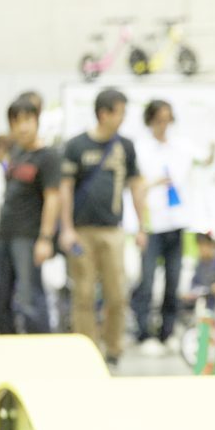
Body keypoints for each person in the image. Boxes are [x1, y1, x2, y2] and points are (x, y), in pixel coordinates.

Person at [59, 88, 148, 367]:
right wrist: (66, 228)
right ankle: (86, 349)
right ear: (104, 113)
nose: (122, 119)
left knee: (116, 294)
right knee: (83, 294)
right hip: (82, 231)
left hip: (113, 231)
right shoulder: (76, 146)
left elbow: (135, 186)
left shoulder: (126, 148)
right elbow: (65, 189)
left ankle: (113, 348)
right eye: (119, 112)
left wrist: (142, 226)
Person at [131, 99, 213, 355]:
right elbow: (136, 187)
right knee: (146, 281)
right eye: (159, 118)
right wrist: (140, 226)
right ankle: (144, 333)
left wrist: (214, 138)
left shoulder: (181, 145)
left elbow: (205, 159)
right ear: (150, 120)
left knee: (173, 279)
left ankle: (167, 332)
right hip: (152, 223)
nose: (164, 124)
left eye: (168, 118)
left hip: (177, 223)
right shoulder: (141, 148)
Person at [0, 98, 61, 336]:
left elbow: (53, 198)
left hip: (29, 237)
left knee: (31, 301)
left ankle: (41, 351)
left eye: (27, 120)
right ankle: (9, 344)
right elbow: (9, 197)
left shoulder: (48, 156)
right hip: (6, 235)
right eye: (16, 121)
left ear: (37, 121)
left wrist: (45, 238)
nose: (22, 127)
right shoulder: (16, 152)